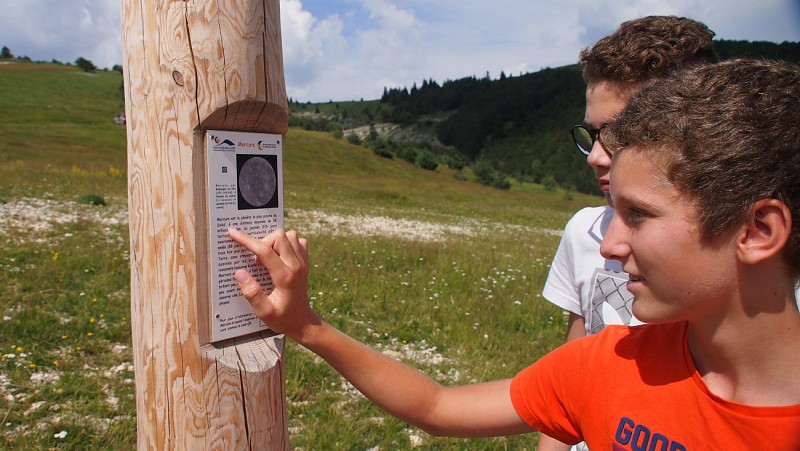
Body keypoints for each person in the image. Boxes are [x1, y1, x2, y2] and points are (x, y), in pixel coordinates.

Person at [229, 58, 800, 449]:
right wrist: (307, 326)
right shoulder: (611, 362)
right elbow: (437, 407)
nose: (608, 243)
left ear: (758, 230)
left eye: (640, 215)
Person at [539, 15, 718, 451]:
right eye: (592, 133)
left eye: (619, 133)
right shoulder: (584, 231)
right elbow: (571, 372)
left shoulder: (756, 261)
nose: (595, 157)